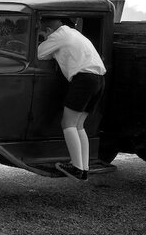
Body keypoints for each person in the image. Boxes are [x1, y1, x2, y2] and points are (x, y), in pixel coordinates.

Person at [38, 17, 106, 181]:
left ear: (48, 31)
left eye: (42, 34)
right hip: (99, 79)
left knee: (67, 124)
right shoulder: (74, 33)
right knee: (79, 125)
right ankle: (84, 168)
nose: (43, 37)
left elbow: (40, 54)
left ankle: (76, 168)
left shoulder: (58, 36)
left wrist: (44, 42)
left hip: (83, 79)